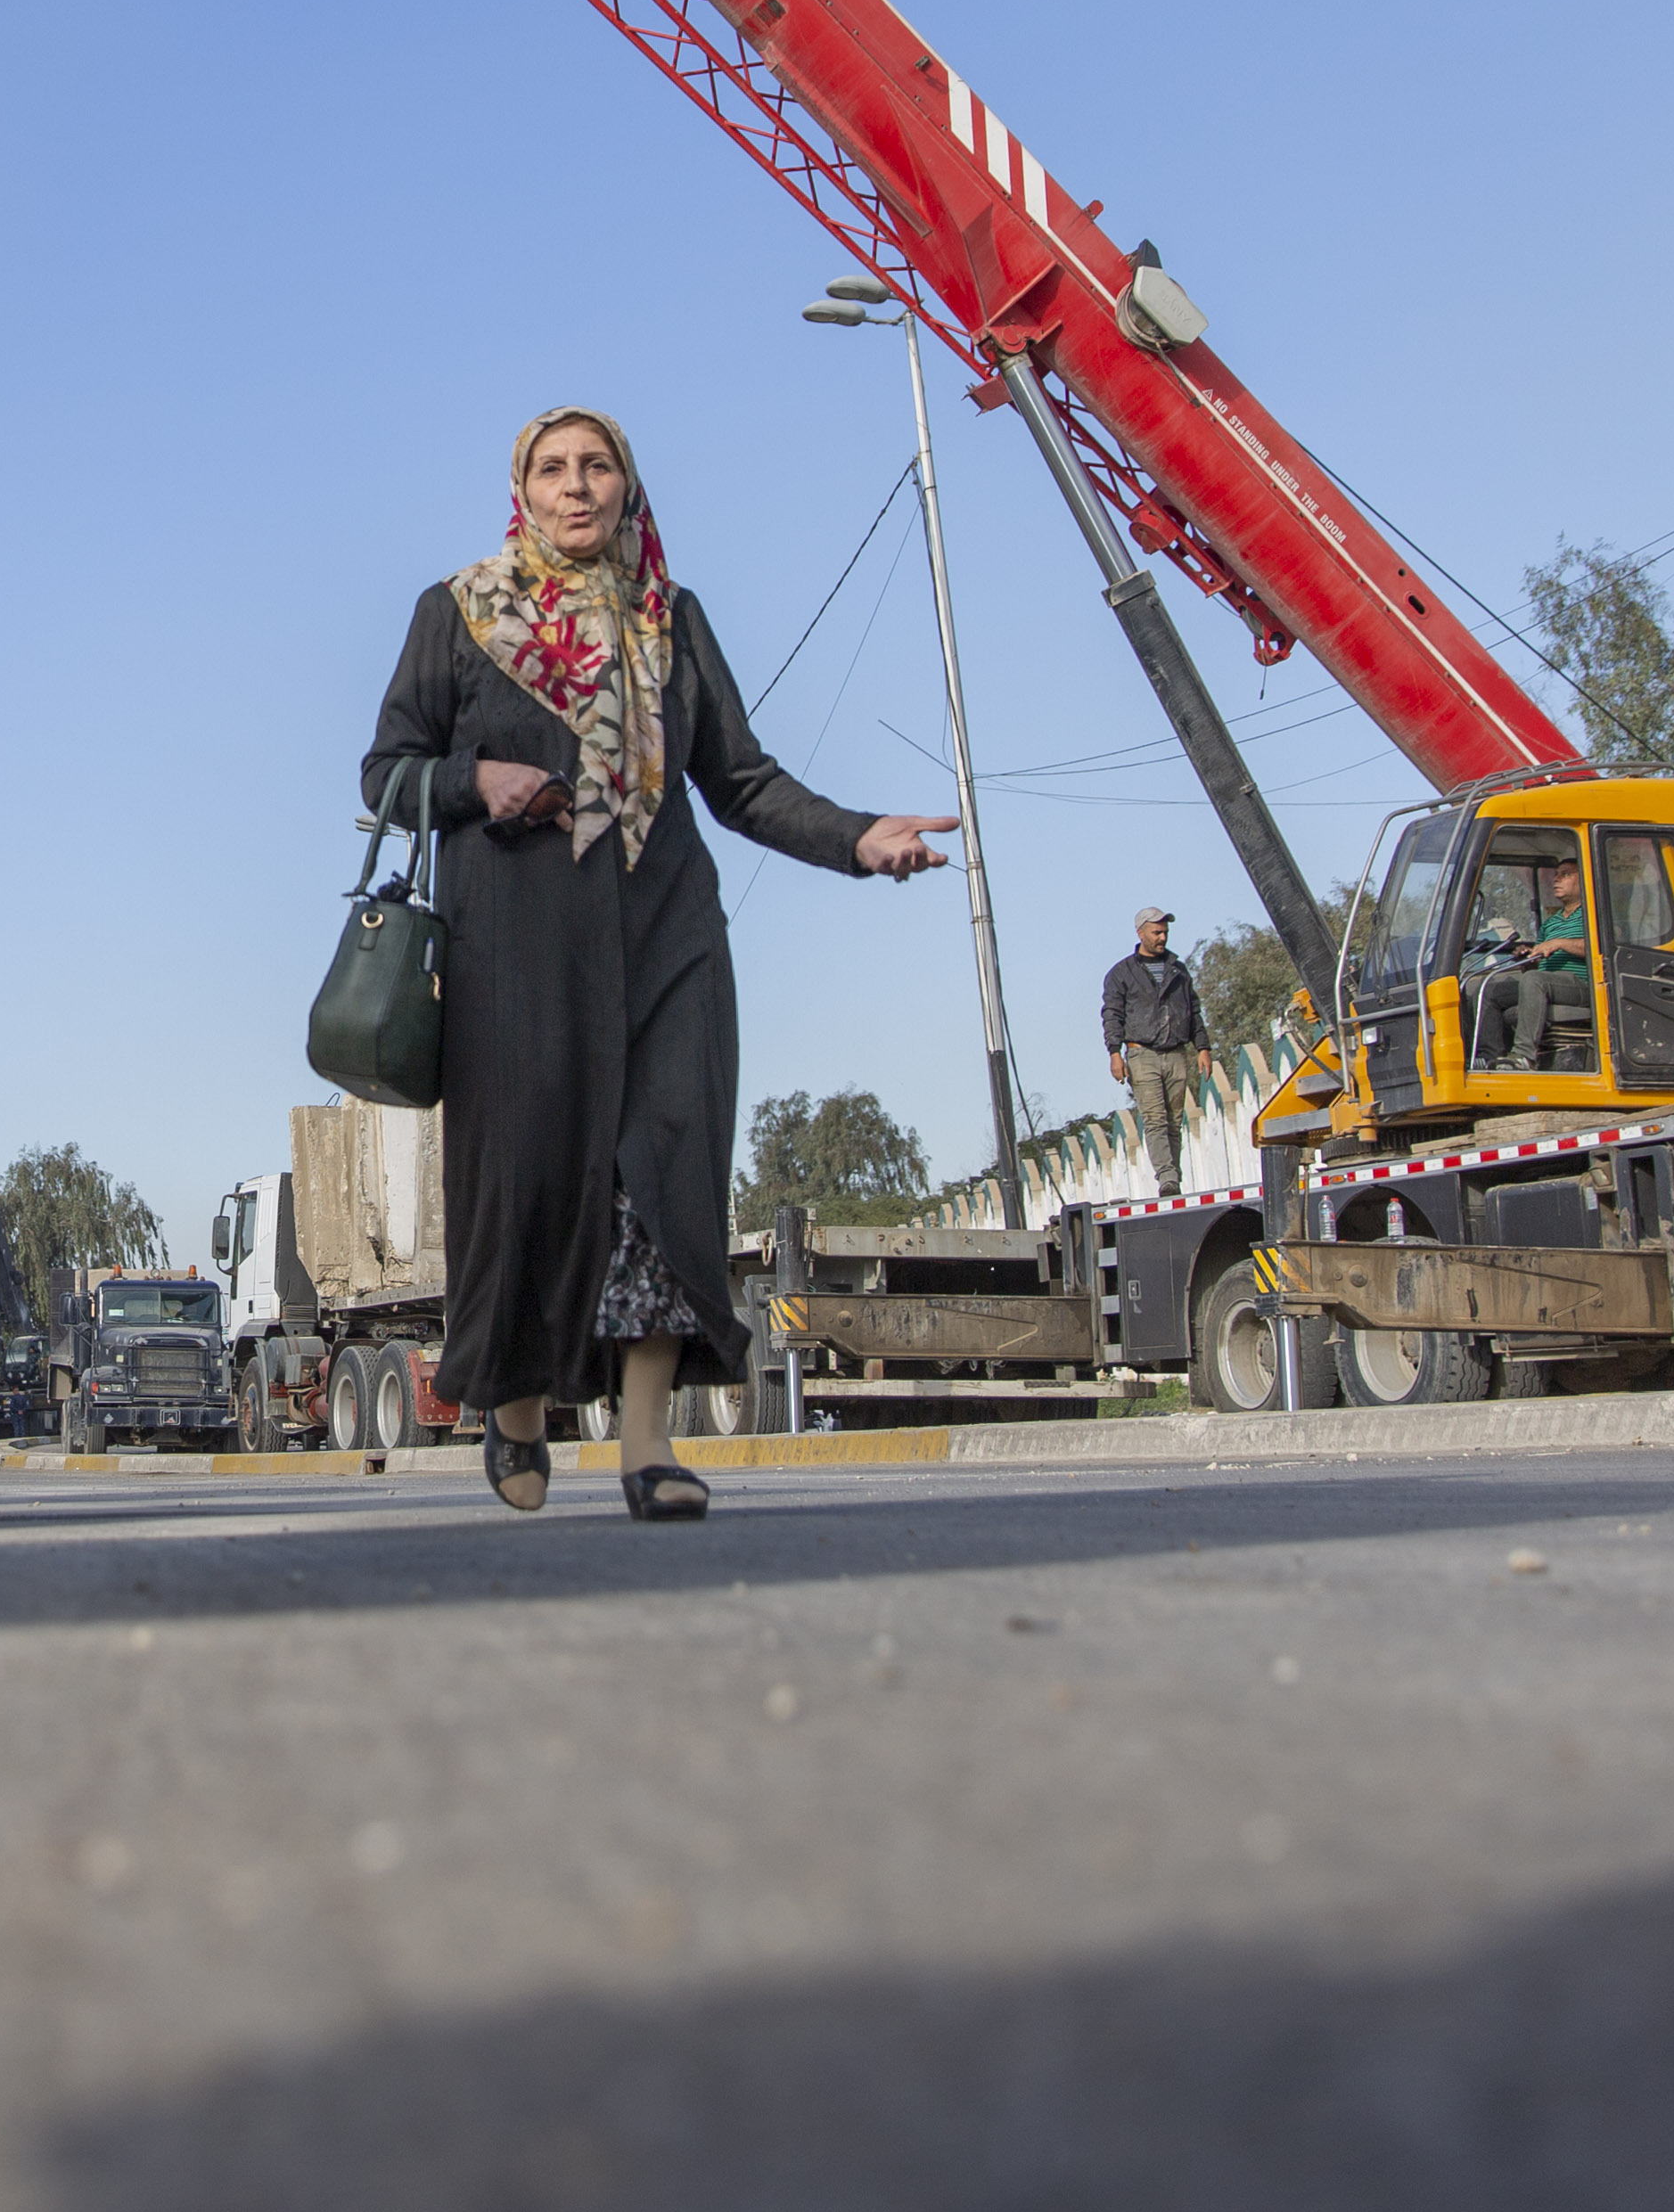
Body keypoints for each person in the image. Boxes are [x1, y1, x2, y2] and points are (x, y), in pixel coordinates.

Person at [365, 408, 956, 1521]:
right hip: (518, 955)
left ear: (628, 487)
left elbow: (739, 781)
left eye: (599, 467)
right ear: (523, 490)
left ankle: (645, 1447)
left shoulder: (670, 618)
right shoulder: (455, 615)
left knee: (665, 1177)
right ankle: (522, 1407)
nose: (576, 486)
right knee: (531, 1182)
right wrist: (471, 781)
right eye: (554, 469)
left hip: (666, 937)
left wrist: (859, 838)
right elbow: (384, 772)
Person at [1102, 907, 1206, 1196]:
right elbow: (1112, 1015)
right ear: (1141, 933)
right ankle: (1167, 1177)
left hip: (1176, 1053)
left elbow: (1194, 1010)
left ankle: (1173, 1178)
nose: (1162, 938)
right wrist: (1114, 1053)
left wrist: (1203, 1047)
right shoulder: (1121, 974)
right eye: (1156, 932)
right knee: (1155, 1118)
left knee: (1175, 1120)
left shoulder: (1178, 970)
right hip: (1141, 1054)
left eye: (1165, 933)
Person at [1479, 883, 1589, 1069]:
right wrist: (1529, 959)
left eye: (1566, 875)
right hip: (1549, 982)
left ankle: (1523, 1056)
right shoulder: (1551, 922)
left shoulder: (1592, 914)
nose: (1556, 881)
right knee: (1489, 990)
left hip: (1583, 985)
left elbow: (1600, 947)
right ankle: (1490, 1058)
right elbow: (1540, 963)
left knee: (1534, 980)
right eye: (1556, 876)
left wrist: (1558, 943)